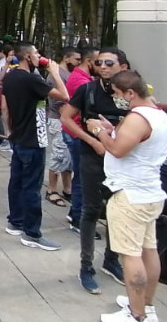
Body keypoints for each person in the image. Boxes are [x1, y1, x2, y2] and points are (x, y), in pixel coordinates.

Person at [85, 71, 167, 322]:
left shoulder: (138, 117)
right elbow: (132, 144)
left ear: (131, 93)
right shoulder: (159, 115)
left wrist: (99, 131)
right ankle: (146, 305)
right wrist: (111, 130)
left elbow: (119, 150)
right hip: (149, 192)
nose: (118, 100)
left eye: (119, 95)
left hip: (129, 195)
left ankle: (137, 314)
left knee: (131, 256)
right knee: (148, 250)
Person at [60, 47, 129, 294]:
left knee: (117, 212)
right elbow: (66, 117)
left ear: (123, 66)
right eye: (99, 62)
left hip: (122, 161)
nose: (103, 67)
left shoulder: (131, 91)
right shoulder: (87, 90)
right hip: (93, 157)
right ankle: (86, 267)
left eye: (109, 63)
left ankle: (112, 260)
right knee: (90, 210)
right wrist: (92, 141)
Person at [1, 42, 69, 251]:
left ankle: (16, 220)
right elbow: (64, 95)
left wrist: (8, 130)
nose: (40, 56)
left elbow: (5, 106)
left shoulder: (11, 76)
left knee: (17, 181)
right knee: (32, 187)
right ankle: (32, 233)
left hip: (19, 136)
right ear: (27, 57)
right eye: (36, 53)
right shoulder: (31, 79)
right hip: (33, 139)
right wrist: (56, 72)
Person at [63, 46, 100, 233]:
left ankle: (75, 213)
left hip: (79, 133)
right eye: (99, 63)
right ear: (89, 62)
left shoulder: (85, 79)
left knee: (81, 177)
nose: (102, 67)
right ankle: (78, 218)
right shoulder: (81, 83)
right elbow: (69, 114)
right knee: (82, 178)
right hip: (78, 134)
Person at [46, 47, 81, 207]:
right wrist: (68, 118)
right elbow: (58, 102)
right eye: (77, 60)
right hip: (59, 119)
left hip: (67, 119)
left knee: (67, 158)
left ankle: (67, 188)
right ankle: (51, 190)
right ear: (67, 58)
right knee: (58, 155)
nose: (78, 63)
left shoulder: (68, 74)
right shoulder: (56, 75)